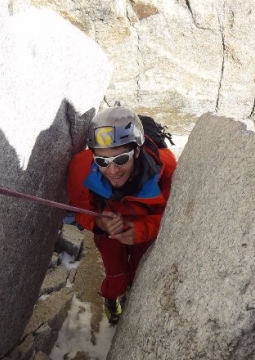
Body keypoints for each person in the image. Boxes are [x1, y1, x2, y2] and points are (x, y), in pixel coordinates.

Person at [66, 106, 177, 324]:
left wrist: (142, 231)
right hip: (110, 227)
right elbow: (80, 210)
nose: (113, 170)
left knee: (140, 268)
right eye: (102, 161)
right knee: (114, 269)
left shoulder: (165, 167)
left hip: (144, 223)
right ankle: (112, 296)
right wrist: (99, 224)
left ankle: (134, 292)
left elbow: (172, 213)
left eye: (121, 159)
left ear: (137, 151)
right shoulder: (81, 168)